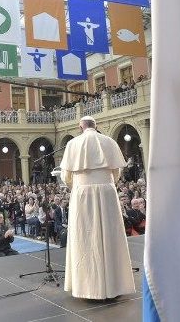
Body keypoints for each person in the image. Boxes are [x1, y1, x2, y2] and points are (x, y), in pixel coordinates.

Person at [60, 116, 135, 300]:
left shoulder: (73, 144)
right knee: (110, 235)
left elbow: (66, 176)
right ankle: (113, 286)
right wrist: (106, 183)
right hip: (107, 192)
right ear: (96, 126)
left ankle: (88, 289)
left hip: (82, 193)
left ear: (80, 127)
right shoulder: (109, 141)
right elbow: (117, 172)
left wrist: (78, 185)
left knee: (84, 237)